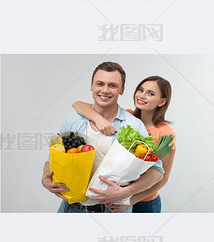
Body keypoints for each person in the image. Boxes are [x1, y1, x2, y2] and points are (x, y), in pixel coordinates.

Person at [41, 62, 164, 213]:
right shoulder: (72, 122)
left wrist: (127, 192)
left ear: (122, 89)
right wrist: (45, 177)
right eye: (100, 83)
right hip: (71, 208)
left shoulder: (133, 125)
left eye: (112, 85)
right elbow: (51, 159)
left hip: (112, 210)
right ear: (92, 85)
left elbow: (157, 172)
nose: (105, 90)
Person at [72, 75, 176, 213]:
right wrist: (98, 119)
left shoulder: (165, 133)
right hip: (113, 197)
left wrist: (129, 200)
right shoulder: (126, 118)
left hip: (144, 201)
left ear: (162, 101)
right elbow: (78, 105)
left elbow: (163, 178)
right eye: (140, 90)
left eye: (150, 93)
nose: (142, 96)